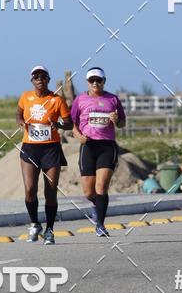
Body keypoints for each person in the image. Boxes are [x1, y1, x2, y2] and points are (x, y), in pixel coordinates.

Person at [17, 65, 71, 245]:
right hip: (30, 148)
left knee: (50, 191)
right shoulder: (25, 97)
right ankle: (34, 223)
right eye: (36, 77)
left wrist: (60, 126)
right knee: (30, 189)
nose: (39, 79)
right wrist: (20, 121)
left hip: (51, 149)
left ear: (48, 80)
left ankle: (49, 230)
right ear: (31, 81)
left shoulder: (57, 100)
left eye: (43, 76)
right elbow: (18, 113)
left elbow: (69, 123)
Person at [71, 67, 126, 237]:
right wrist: (78, 135)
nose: (95, 83)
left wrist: (117, 120)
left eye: (98, 80)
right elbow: (72, 124)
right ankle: (97, 206)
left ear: (104, 81)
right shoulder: (80, 100)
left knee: (101, 186)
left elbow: (122, 123)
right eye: (91, 80)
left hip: (107, 147)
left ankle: (100, 224)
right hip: (88, 146)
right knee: (89, 192)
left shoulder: (113, 99)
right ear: (87, 82)